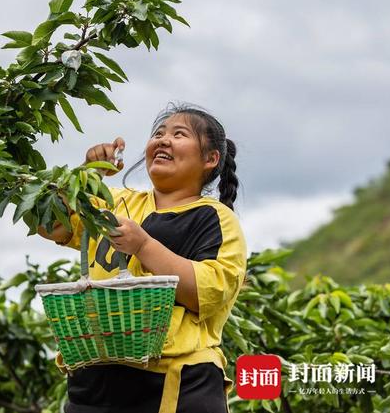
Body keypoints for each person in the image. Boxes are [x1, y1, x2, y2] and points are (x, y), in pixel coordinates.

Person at [37, 102, 247, 413]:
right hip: (96, 379)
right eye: (159, 134)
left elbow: (209, 292)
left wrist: (143, 246)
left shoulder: (215, 218)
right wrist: (86, 175)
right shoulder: (116, 202)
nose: (164, 140)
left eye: (179, 134)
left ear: (210, 158)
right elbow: (46, 221)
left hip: (175, 383)